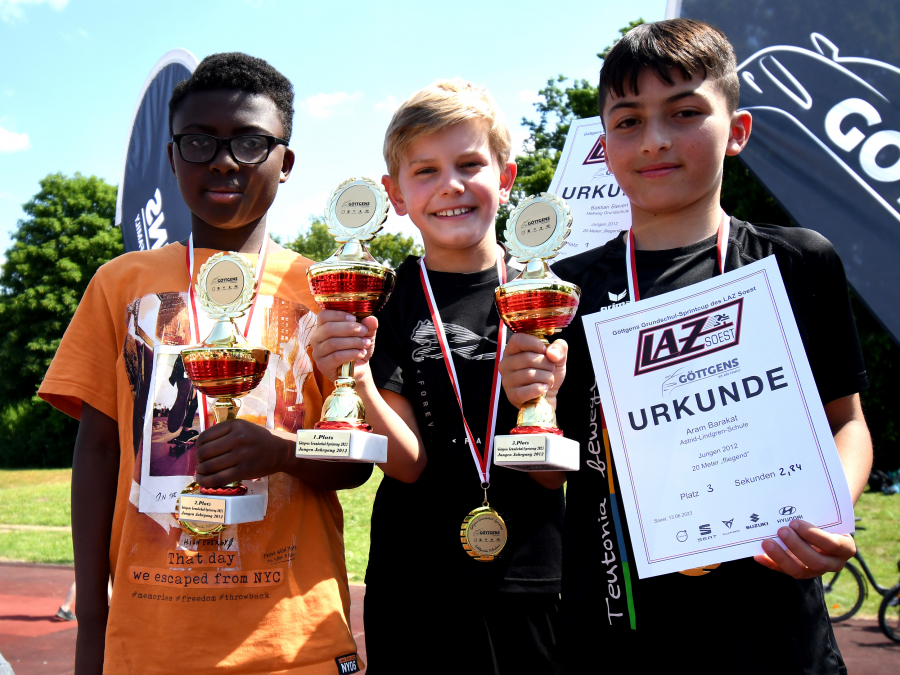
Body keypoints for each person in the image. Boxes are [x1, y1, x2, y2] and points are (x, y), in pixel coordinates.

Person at [499, 19, 873, 674]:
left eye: (685, 112)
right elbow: (550, 476)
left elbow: (847, 421)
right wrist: (531, 403)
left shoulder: (798, 261)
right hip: (617, 636)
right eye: (628, 121)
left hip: (775, 631)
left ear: (738, 130)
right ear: (604, 145)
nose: (655, 139)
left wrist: (830, 508)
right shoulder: (564, 291)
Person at [39, 52, 369, 674]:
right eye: (199, 141)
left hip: (295, 643)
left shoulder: (326, 291)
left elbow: (354, 464)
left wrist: (280, 454)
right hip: (150, 644)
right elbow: (99, 452)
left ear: (285, 162)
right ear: (172, 158)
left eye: (250, 141)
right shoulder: (119, 284)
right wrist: (91, 630)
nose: (223, 160)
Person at [311, 79, 564, 674]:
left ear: (506, 177)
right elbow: (407, 464)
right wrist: (356, 376)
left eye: (470, 164)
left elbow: (553, 476)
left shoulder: (549, 296)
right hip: (416, 583)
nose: (451, 185)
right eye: (425, 171)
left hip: (530, 578)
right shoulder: (385, 300)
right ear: (395, 194)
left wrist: (539, 400)